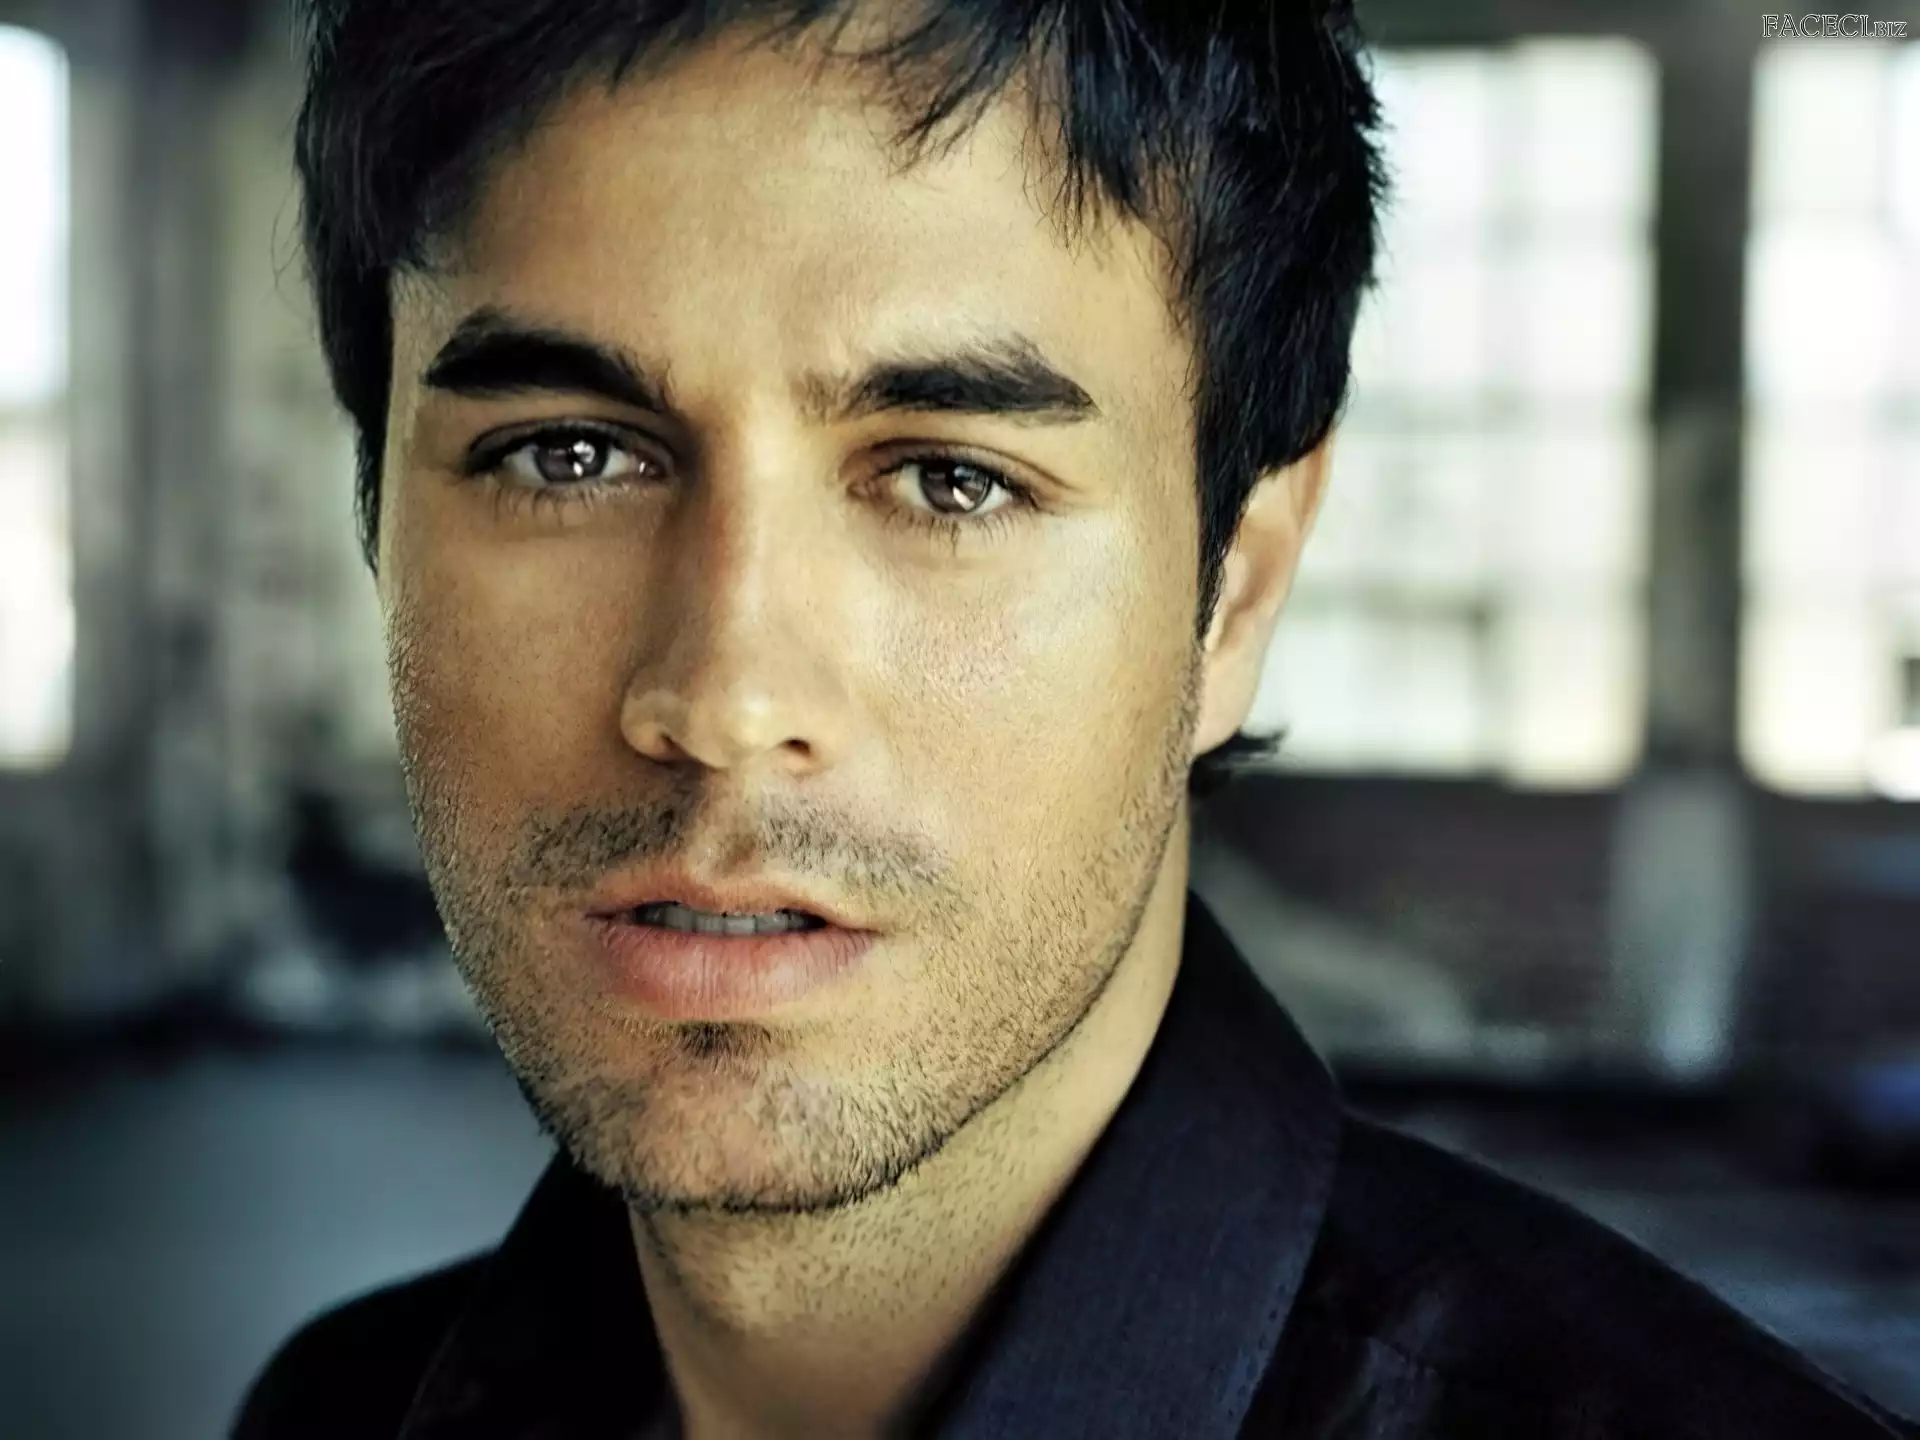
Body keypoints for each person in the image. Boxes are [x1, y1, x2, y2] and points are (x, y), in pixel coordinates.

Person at [233, 1, 1917, 1435]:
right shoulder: (340, 1407)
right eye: (567, 455)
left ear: (1235, 590)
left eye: (952, 479)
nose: (727, 700)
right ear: (380, 522)